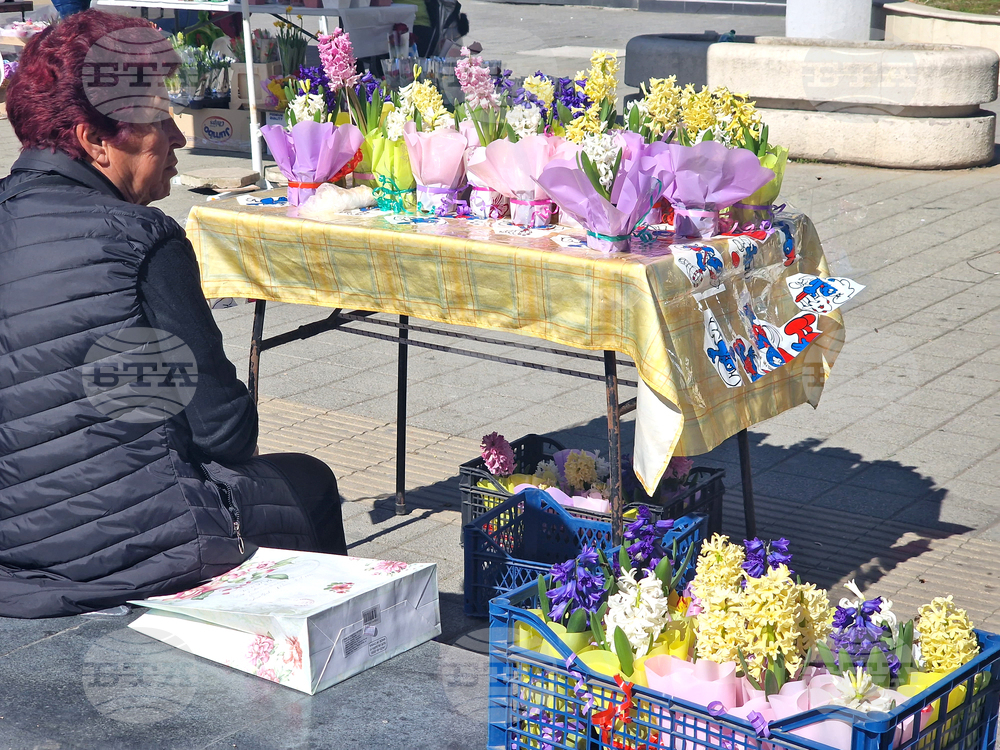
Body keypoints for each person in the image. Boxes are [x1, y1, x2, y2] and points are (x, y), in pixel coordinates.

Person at [0, 11, 347, 619]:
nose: (180, 140)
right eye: (158, 119)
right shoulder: (138, 241)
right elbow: (225, 432)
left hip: (10, 554)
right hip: (125, 554)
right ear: (95, 140)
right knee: (308, 482)